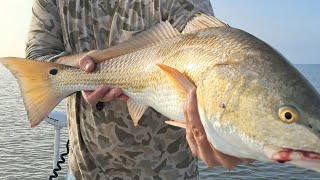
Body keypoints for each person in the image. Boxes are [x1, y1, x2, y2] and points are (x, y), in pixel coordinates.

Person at [26, 0, 250, 179]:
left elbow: (205, 42)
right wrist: (81, 70)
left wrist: (226, 129)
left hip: (169, 171)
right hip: (86, 168)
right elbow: (37, 59)